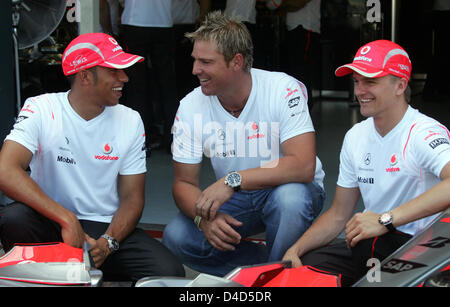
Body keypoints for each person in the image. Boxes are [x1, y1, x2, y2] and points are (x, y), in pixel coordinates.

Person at [0, 33, 185, 282]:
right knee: (14, 219)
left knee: (169, 272)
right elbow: (5, 170)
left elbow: (133, 199)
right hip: (52, 222)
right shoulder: (41, 108)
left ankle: (75, 269)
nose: (125, 78)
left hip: (105, 228)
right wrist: (65, 218)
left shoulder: (130, 120)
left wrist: (108, 243)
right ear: (85, 76)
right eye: (114, 71)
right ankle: (55, 273)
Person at [162, 11, 325, 277]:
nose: (195, 70)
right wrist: (203, 221)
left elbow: (303, 165)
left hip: (288, 188)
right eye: (195, 60)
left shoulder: (282, 89)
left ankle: (275, 277)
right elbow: (183, 184)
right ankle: (273, 268)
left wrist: (232, 180)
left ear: (236, 61)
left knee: (290, 200)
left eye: (206, 62)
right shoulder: (191, 105)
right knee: (177, 235)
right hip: (238, 198)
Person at [282, 39, 450, 286]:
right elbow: (339, 214)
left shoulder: (423, 132)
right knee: (307, 262)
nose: (360, 91)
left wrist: (386, 219)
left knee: (367, 243)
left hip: (425, 248)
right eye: (357, 81)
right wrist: (296, 248)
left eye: (370, 81)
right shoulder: (356, 136)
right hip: (377, 245)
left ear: (400, 85)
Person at [119, 0, 178, 152]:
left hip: (135, 22)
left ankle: (139, 142)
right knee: (167, 84)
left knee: (136, 85)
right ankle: (172, 140)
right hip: (163, 22)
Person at [281, 0, 321, 111]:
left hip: (306, 28)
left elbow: (298, 3)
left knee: (301, 73)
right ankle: (297, 106)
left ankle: (304, 108)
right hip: (295, 29)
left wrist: (284, 5)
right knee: (295, 72)